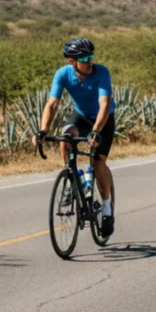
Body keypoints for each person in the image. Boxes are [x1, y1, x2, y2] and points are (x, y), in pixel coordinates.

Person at [35, 37, 117, 237]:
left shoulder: (101, 72)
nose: (90, 61)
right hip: (81, 116)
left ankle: (107, 209)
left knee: (98, 162)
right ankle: (71, 177)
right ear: (72, 61)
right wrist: (43, 130)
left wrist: (96, 131)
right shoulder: (63, 74)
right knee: (66, 138)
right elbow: (52, 104)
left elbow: (104, 104)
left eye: (92, 56)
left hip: (103, 119)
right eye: (85, 58)